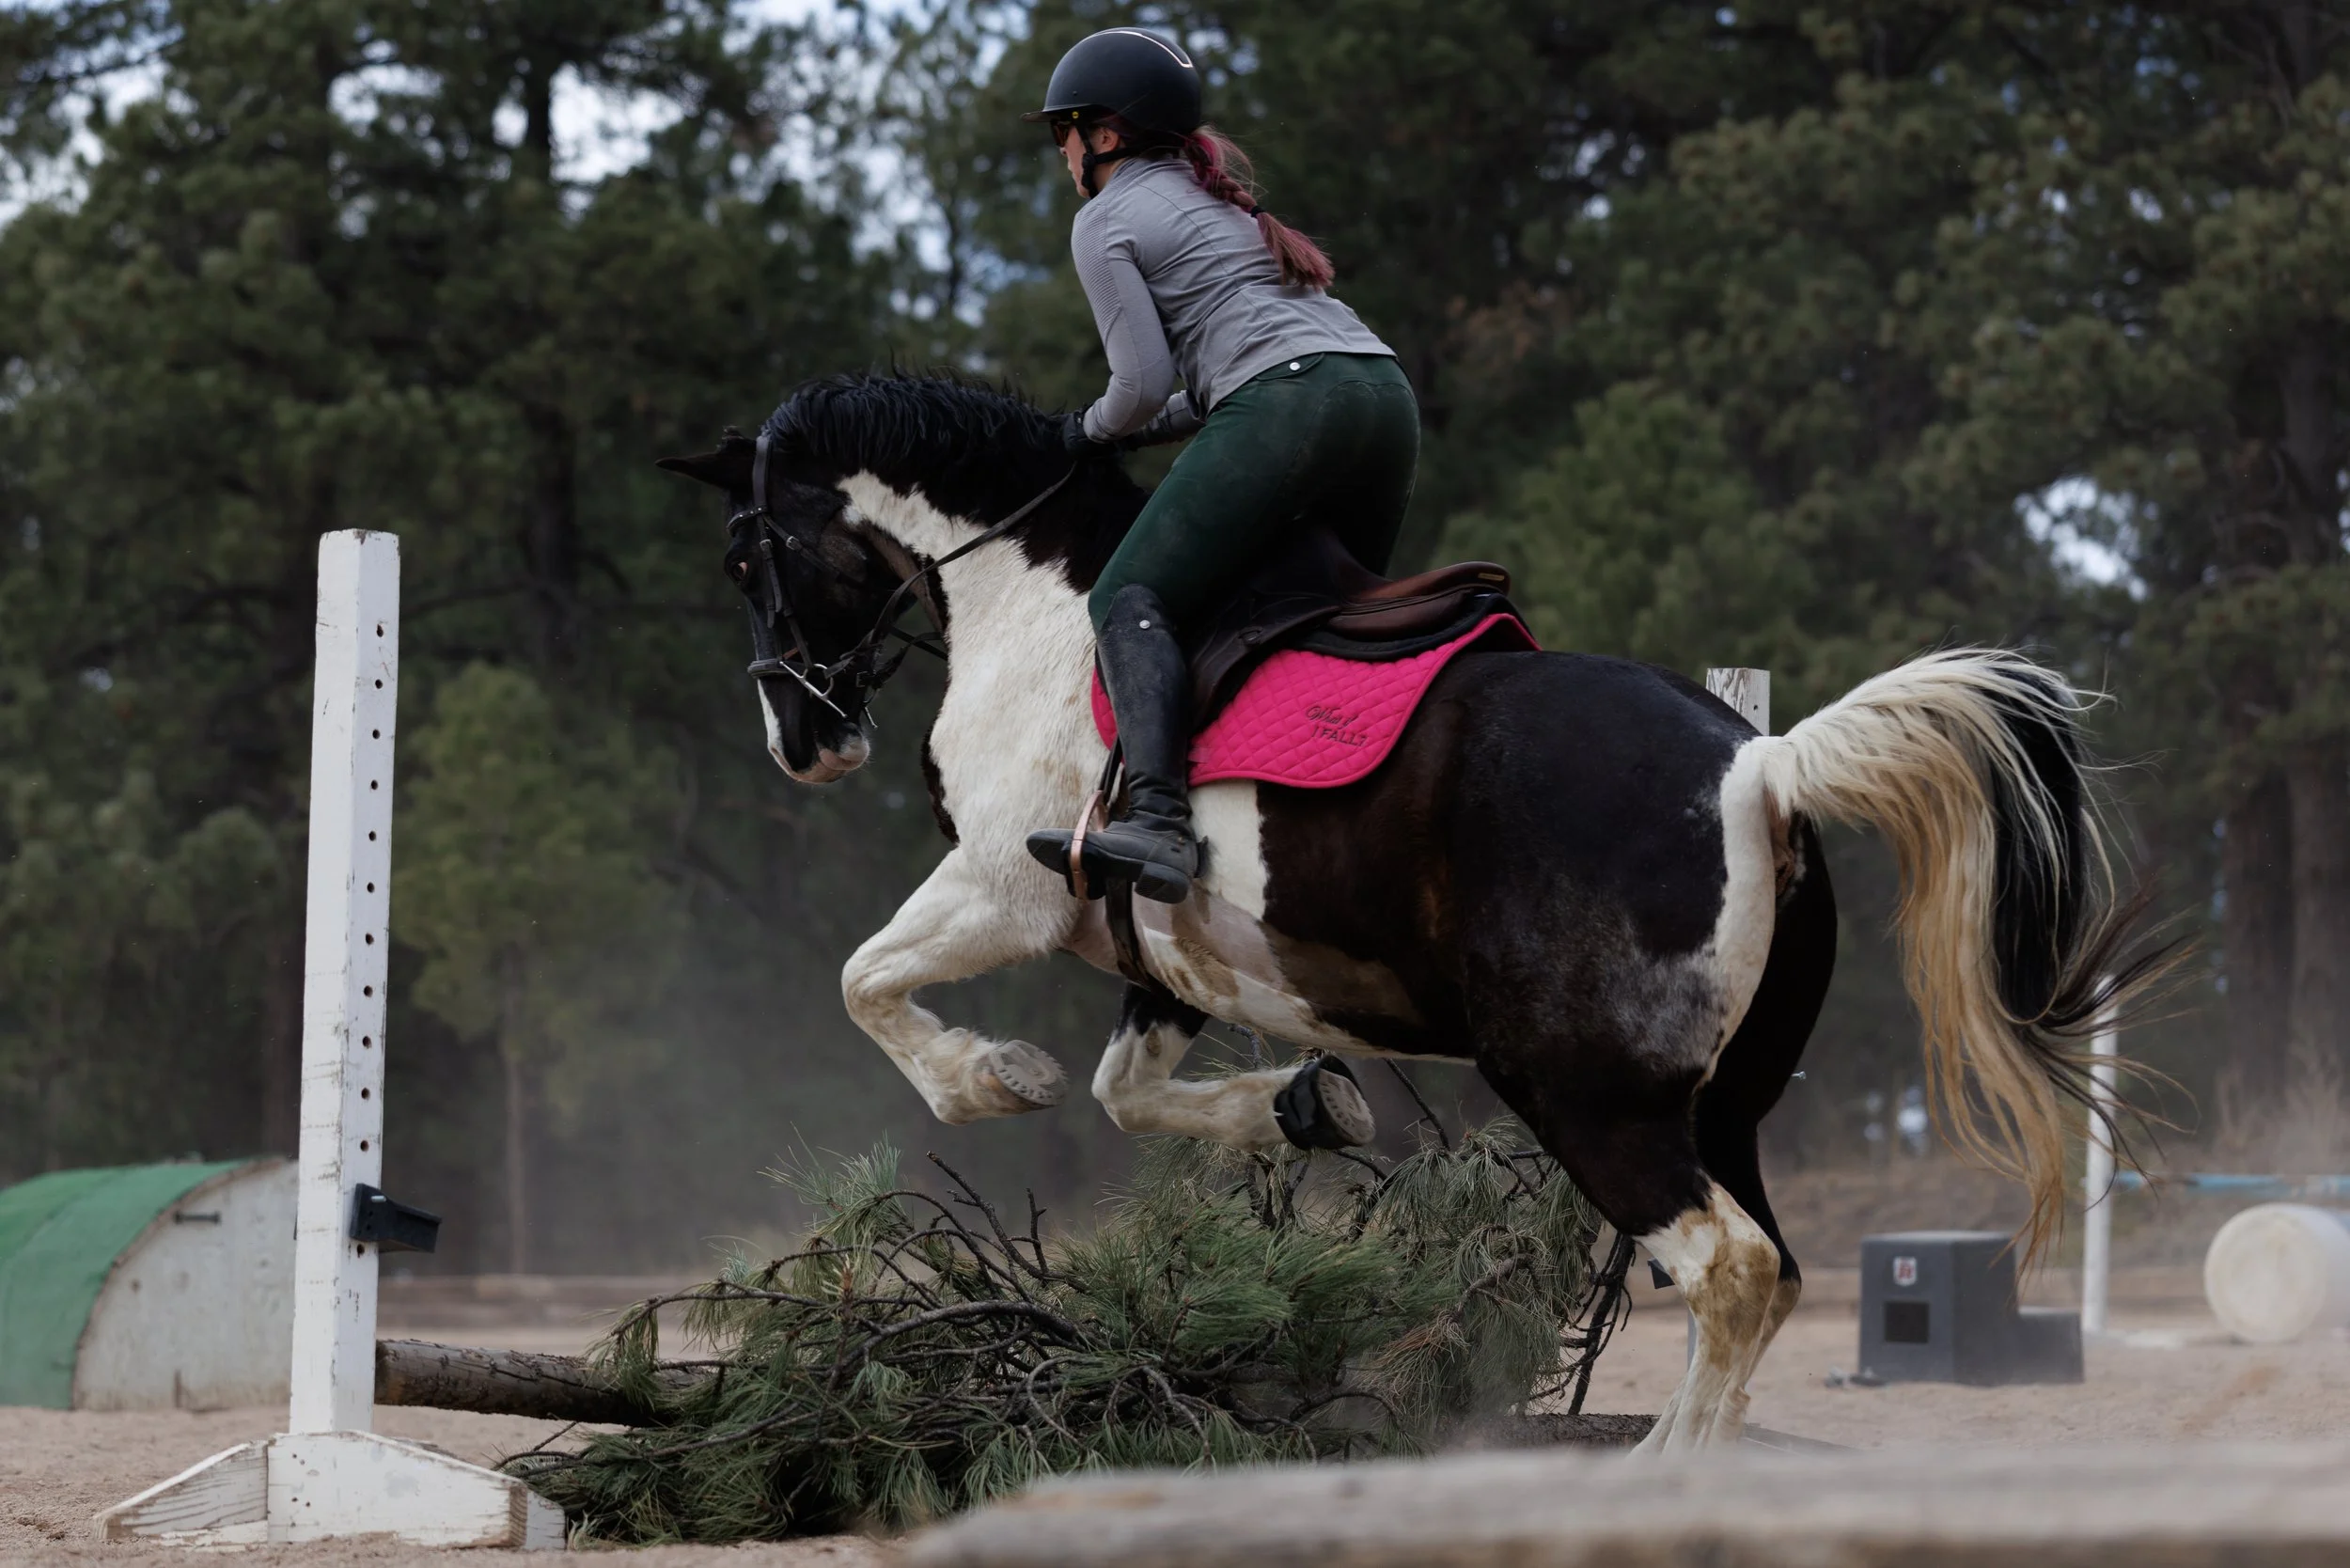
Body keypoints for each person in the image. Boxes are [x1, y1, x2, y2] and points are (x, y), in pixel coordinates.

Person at [1020, 26, 1420, 905]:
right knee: (1316, 612)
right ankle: (1333, 811)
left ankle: (1157, 821)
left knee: (1128, 597)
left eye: (1064, 131)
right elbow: (1199, 392)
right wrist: (1135, 427)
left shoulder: (1107, 217)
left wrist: (1089, 431)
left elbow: (1139, 382)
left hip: (1289, 404)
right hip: (1383, 396)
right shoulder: (1222, 208)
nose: (1062, 152)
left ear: (1107, 135)